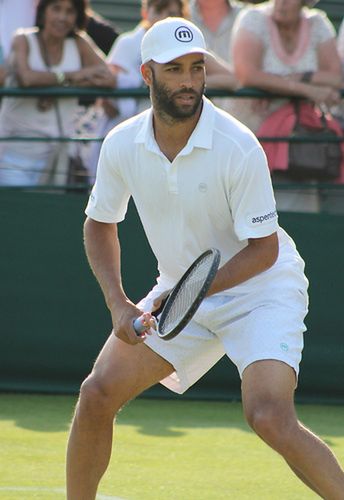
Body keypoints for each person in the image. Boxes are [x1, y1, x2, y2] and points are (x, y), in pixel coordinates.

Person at [66, 17, 344, 499]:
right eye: (174, 70)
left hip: (262, 290)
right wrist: (117, 302)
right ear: (147, 74)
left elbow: (264, 250)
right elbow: (99, 222)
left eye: (197, 67)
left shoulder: (239, 146)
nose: (190, 81)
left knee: (269, 416)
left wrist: (186, 295)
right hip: (181, 289)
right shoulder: (121, 143)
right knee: (96, 394)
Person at [83, 0, 237, 181]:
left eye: (172, 12)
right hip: (131, 142)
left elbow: (232, 79)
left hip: (175, 140)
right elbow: (109, 97)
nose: (164, 17)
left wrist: (187, 86)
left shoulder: (189, 49)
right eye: (159, 10)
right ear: (145, 13)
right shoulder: (128, 43)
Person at [228, 0, 343, 212]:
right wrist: (306, 90)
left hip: (298, 146)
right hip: (252, 141)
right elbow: (247, 74)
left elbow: (335, 78)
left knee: (300, 220)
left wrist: (299, 77)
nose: (281, 4)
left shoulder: (317, 23)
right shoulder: (253, 19)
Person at [0, 0, 116, 187]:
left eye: (70, 11)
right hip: (13, 156)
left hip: (57, 159)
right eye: (56, 9)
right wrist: (74, 75)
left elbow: (109, 78)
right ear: (43, 11)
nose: (62, 17)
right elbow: (27, 78)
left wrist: (65, 85)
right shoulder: (23, 39)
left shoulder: (79, 42)